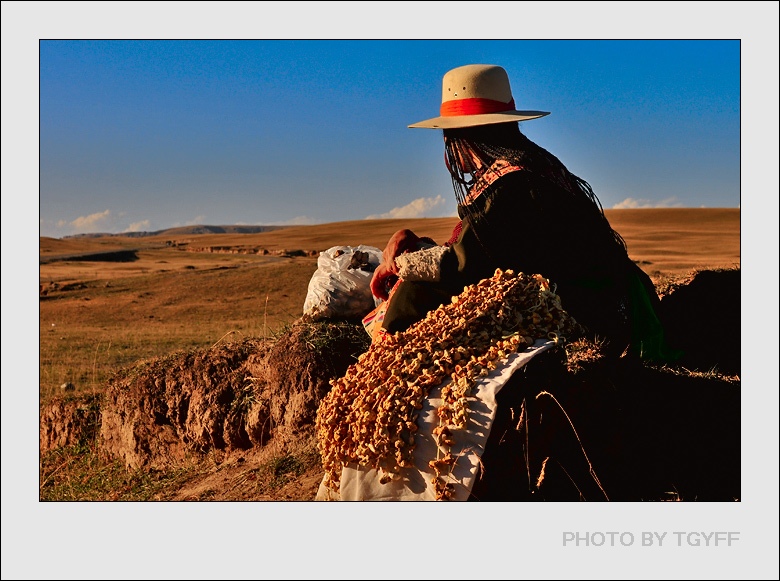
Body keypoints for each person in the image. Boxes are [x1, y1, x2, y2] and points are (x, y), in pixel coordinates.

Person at [369, 64, 680, 362]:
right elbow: (482, 250)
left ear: (462, 138)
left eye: (448, 135)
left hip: (587, 308)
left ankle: (384, 355)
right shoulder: (534, 168)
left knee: (415, 291)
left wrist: (400, 265)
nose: (447, 144)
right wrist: (415, 243)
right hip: (606, 297)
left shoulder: (510, 186)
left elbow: (464, 265)